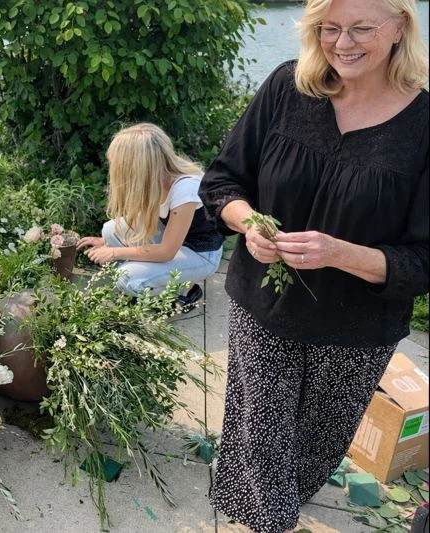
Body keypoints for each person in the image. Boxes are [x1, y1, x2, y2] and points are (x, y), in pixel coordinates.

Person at [198, 0, 429, 531]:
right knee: (261, 435)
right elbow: (222, 182)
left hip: (356, 329)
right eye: (329, 28)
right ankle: (269, 519)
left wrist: (339, 254)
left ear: (399, 28)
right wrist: (249, 221)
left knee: (316, 447)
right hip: (265, 306)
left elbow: (423, 260)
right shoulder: (288, 87)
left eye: (361, 28)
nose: (342, 43)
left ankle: (255, 505)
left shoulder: (423, 126)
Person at [76, 123, 224, 304]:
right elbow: (152, 224)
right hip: (176, 242)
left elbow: (166, 251)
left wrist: (114, 252)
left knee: (126, 278)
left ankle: (185, 291)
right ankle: (149, 280)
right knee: (110, 230)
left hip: (201, 253)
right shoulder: (157, 179)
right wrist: (105, 243)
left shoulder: (185, 188)